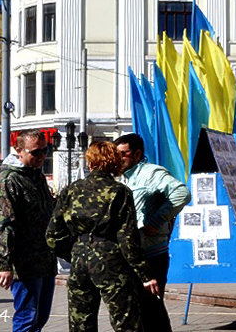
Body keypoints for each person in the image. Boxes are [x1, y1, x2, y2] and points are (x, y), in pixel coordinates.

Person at [47, 141, 160, 332]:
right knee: (126, 321)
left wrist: (74, 253)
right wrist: (145, 274)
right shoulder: (119, 191)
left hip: (79, 260)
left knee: (80, 322)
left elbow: (52, 234)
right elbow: (127, 238)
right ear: (114, 162)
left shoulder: (71, 190)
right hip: (111, 259)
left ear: (90, 163)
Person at [114, 133, 191, 332]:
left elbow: (181, 193)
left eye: (122, 154)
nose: (117, 159)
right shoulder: (123, 179)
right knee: (136, 311)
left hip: (151, 254)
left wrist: (157, 220)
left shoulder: (151, 172)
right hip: (132, 255)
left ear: (137, 153)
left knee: (152, 310)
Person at [0, 130, 57, 332]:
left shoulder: (36, 176)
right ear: (18, 150)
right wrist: (4, 264)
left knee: (41, 316)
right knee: (27, 317)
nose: (42, 157)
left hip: (44, 258)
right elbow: (1, 224)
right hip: (24, 261)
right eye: (36, 152)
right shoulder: (8, 180)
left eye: (45, 151)